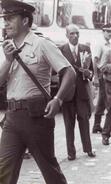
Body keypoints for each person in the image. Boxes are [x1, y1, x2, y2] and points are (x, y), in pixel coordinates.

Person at [0, 1, 76, 183]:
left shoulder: (41, 44)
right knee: (3, 171)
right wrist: (8, 60)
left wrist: (57, 99)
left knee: (50, 171)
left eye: (10, 19)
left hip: (36, 117)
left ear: (25, 20)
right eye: (4, 19)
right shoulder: (7, 48)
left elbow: (69, 73)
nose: (5, 23)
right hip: (12, 118)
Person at [59, 24, 96, 160]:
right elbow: (58, 72)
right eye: (72, 34)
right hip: (67, 94)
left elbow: (91, 73)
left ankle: (88, 149)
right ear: (67, 35)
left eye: (77, 33)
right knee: (69, 124)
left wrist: (88, 73)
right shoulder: (61, 50)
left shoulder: (85, 49)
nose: (75, 36)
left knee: (84, 121)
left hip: (81, 93)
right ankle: (71, 152)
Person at [92, 23, 111, 133]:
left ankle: (97, 125)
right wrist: (95, 77)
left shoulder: (110, 45)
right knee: (104, 99)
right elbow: (95, 61)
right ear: (103, 32)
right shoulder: (100, 44)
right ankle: (99, 125)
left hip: (108, 74)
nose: (109, 33)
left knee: (104, 99)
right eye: (107, 31)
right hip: (101, 74)